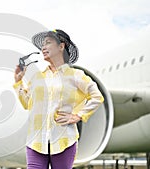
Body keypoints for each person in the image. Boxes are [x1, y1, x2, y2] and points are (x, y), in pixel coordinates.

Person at [13, 29, 104, 169]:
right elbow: (26, 104)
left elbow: (97, 97)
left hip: (64, 140)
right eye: (42, 45)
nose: (43, 47)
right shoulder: (37, 77)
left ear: (61, 46)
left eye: (48, 43)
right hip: (36, 141)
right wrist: (18, 82)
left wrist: (78, 115)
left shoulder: (76, 75)